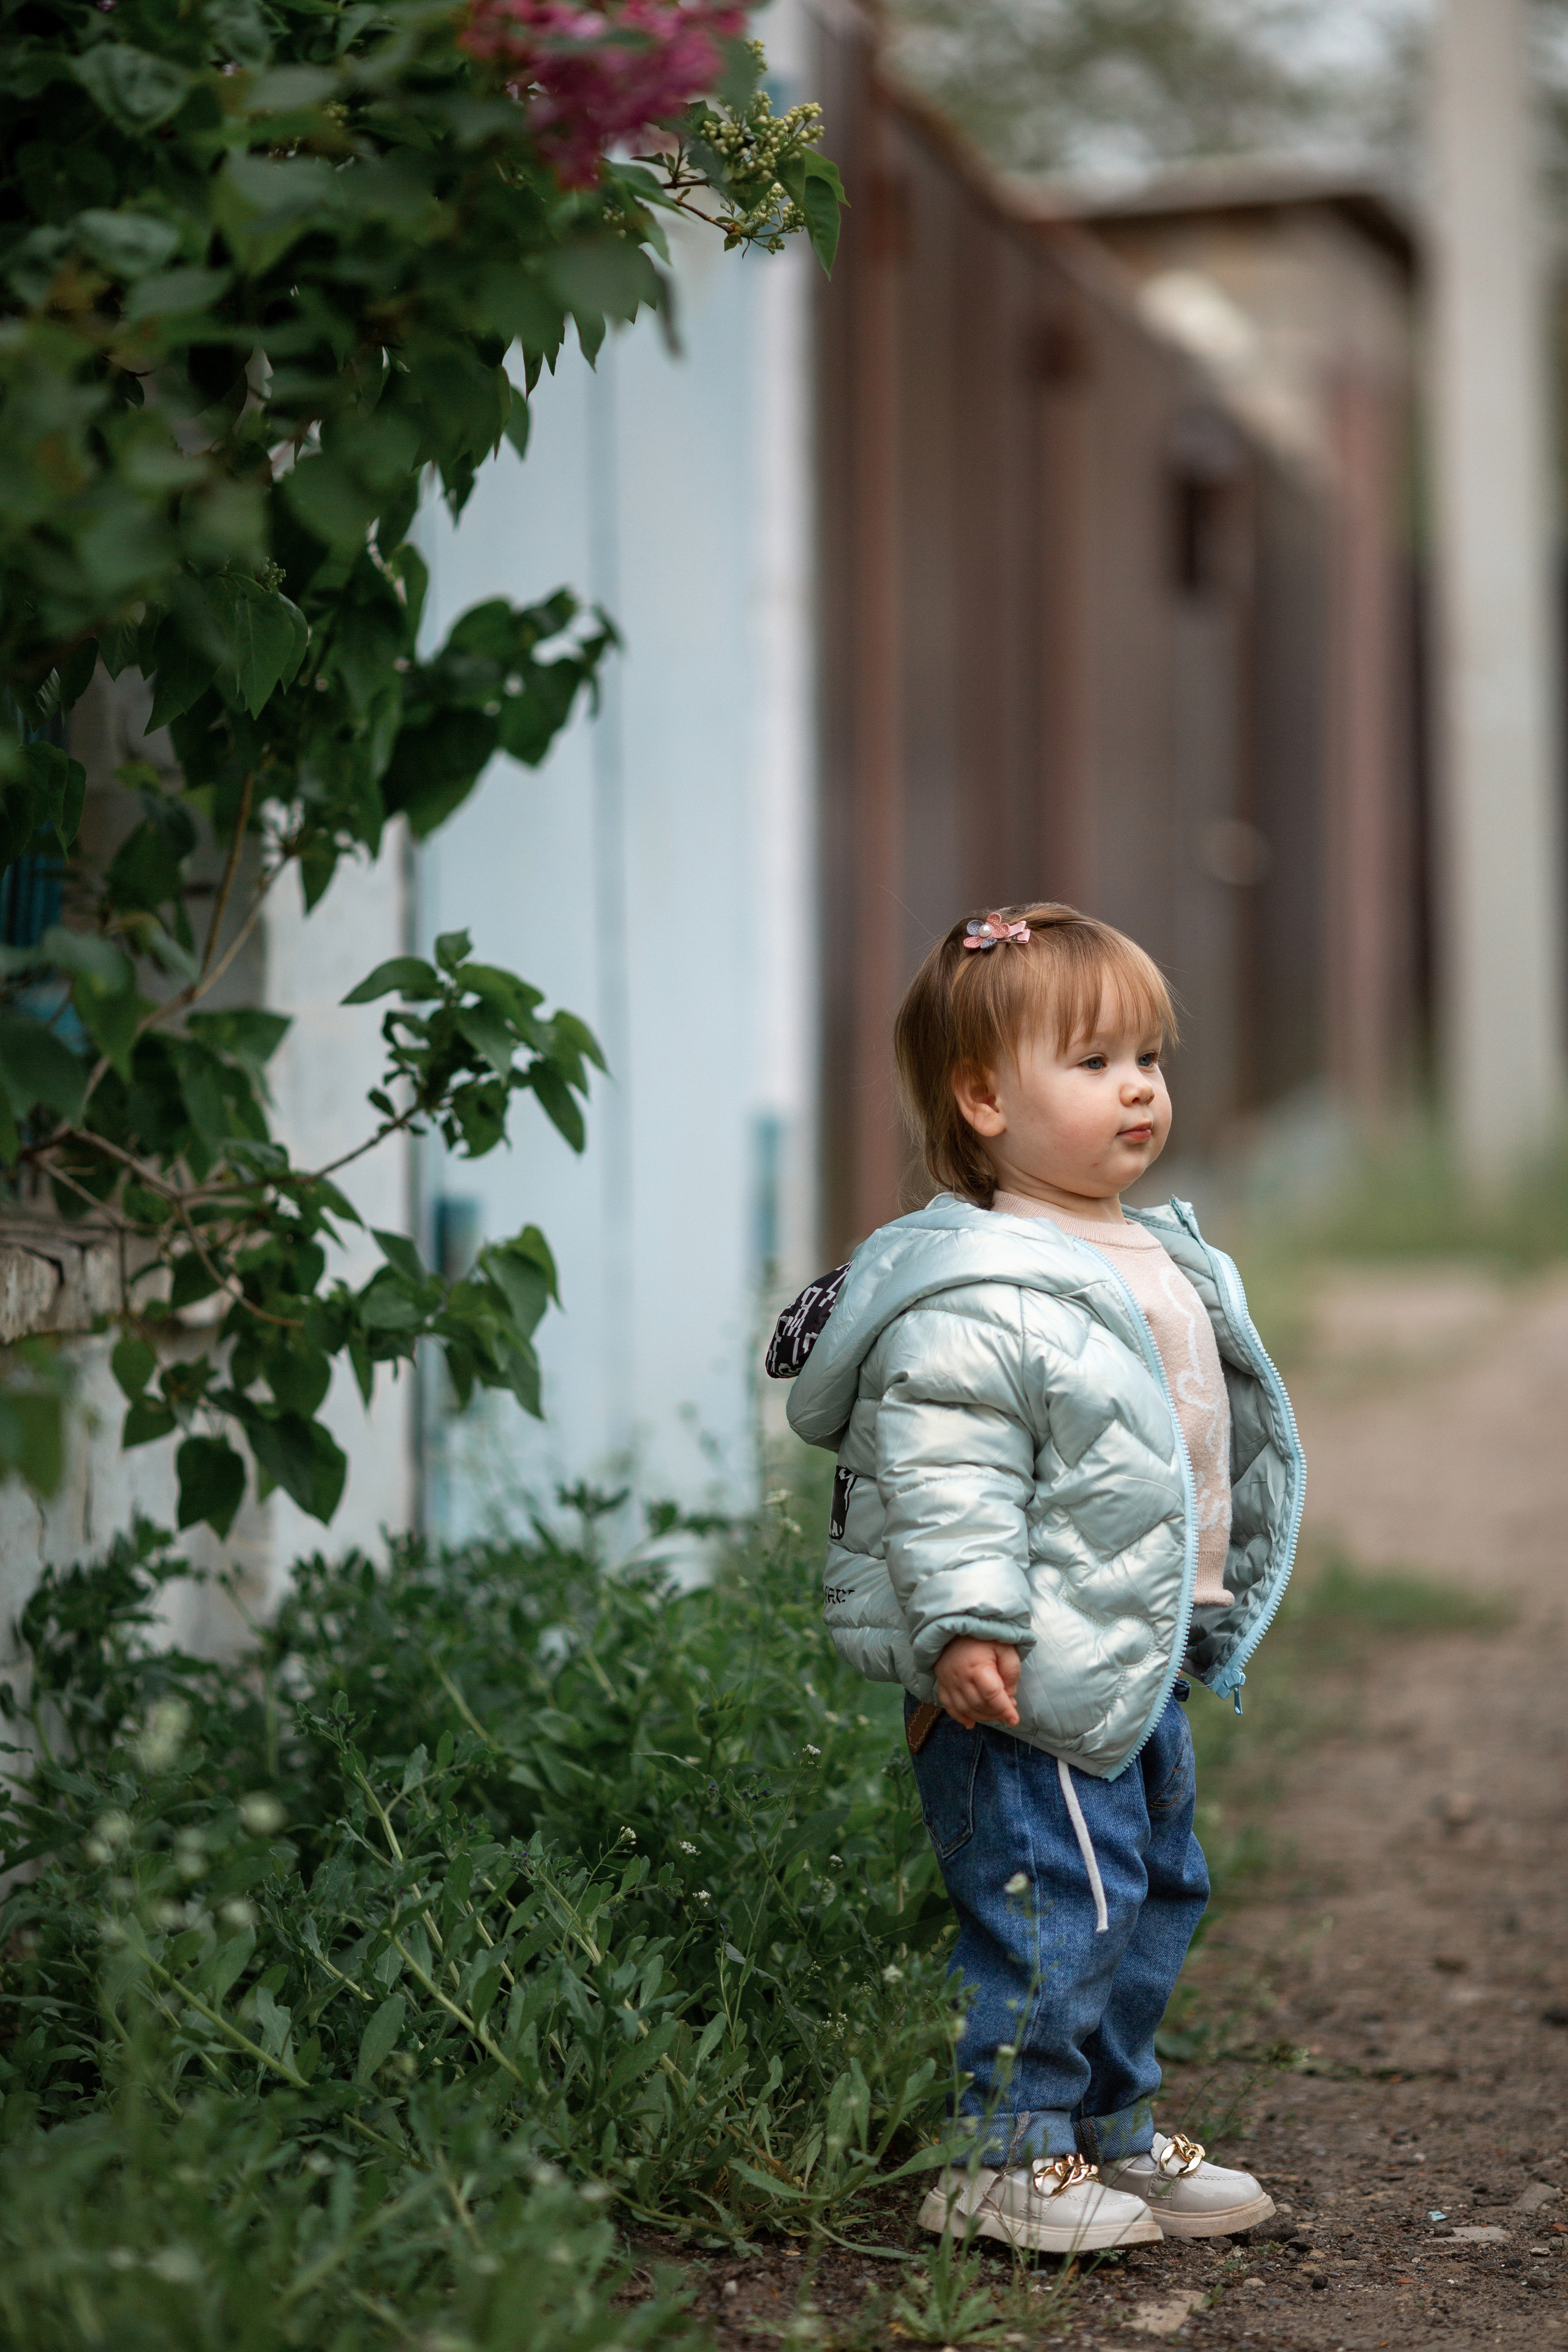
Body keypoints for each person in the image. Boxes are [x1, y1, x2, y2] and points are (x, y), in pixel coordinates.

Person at [767, 903, 1303, 2255]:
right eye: (1094, 1062)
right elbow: (944, 1469)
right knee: (1049, 1905)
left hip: (1135, 1650)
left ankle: (1106, 2128)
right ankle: (1000, 2153)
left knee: (1151, 1892)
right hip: (1019, 1670)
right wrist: (964, 1625)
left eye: (1148, 1058)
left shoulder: (1154, 1248)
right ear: (983, 1096)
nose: (1137, 1088)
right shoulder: (982, 1283)